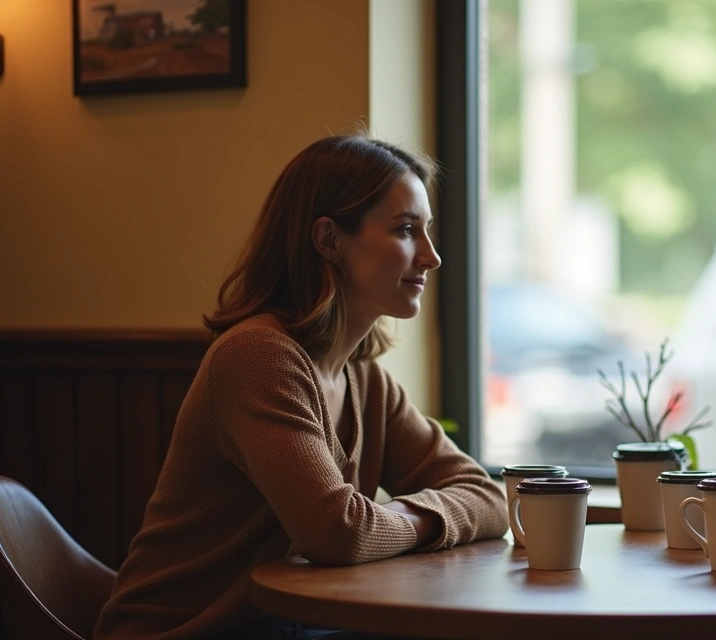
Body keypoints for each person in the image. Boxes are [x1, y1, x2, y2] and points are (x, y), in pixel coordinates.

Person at [94, 134, 508, 640]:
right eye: (405, 231)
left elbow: (487, 497)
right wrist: (418, 517)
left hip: (288, 625)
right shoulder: (258, 357)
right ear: (329, 240)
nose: (431, 257)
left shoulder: (365, 378)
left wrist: (397, 516)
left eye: (427, 232)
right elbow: (337, 533)